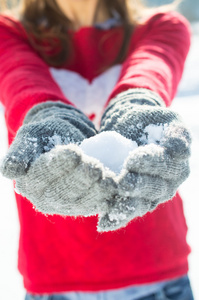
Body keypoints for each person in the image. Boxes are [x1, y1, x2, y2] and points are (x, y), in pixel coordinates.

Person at [0, 0, 195, 299]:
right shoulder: (9, 32)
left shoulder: (161, 26)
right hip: (54, 280)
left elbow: (151, 68)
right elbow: (20, 77)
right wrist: (45, 113)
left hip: (156, 274)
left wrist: (136, 104)